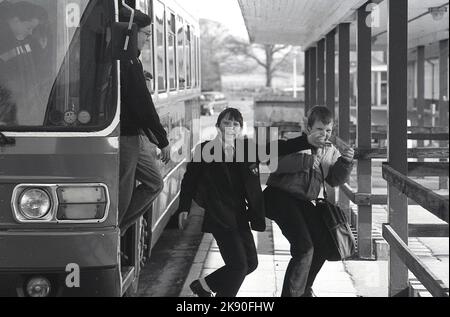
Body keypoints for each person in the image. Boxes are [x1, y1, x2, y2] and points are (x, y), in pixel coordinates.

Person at [177, 108, 325, 297]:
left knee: (251, 264)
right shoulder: (205, 150)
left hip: (240, 214)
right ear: (217, 127)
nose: (231, 128)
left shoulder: (247, 149)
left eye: (235, 124)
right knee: (238, 266)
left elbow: (277, 147)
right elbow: (189, 180)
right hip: (219, 216)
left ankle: (204, 285)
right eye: (226, 123)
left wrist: (306, 141)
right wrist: (183, 208)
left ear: (241, 129)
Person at [263, 106, 355, 297]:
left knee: (323, 243)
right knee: (304, 248)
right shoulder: (294, 141)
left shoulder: (331, 150)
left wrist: (345, 162)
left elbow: (334, 180)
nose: (324, 134)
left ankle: (304, 289)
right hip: (280, 196)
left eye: (328, 130)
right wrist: (305, 161)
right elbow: (273, 164)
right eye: (320, 129)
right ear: (309, 127)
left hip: (303, 201)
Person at [118, 8, 171, 235]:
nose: (148, 39)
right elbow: (143, 106)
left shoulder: (132, 60)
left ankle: (118, 229)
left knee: (154, 183)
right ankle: (114, 230)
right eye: (146, 34)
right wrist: (162, 139)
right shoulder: (126, 61)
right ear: (132, 32)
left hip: (135, 135)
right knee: (124, 189)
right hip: (125, 136)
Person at [0, 1, 48, 126]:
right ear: (15, 21)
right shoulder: (3, 42)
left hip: (22, 107)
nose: (31, 32)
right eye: (29, 27)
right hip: (7, 109)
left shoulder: (28, 41)